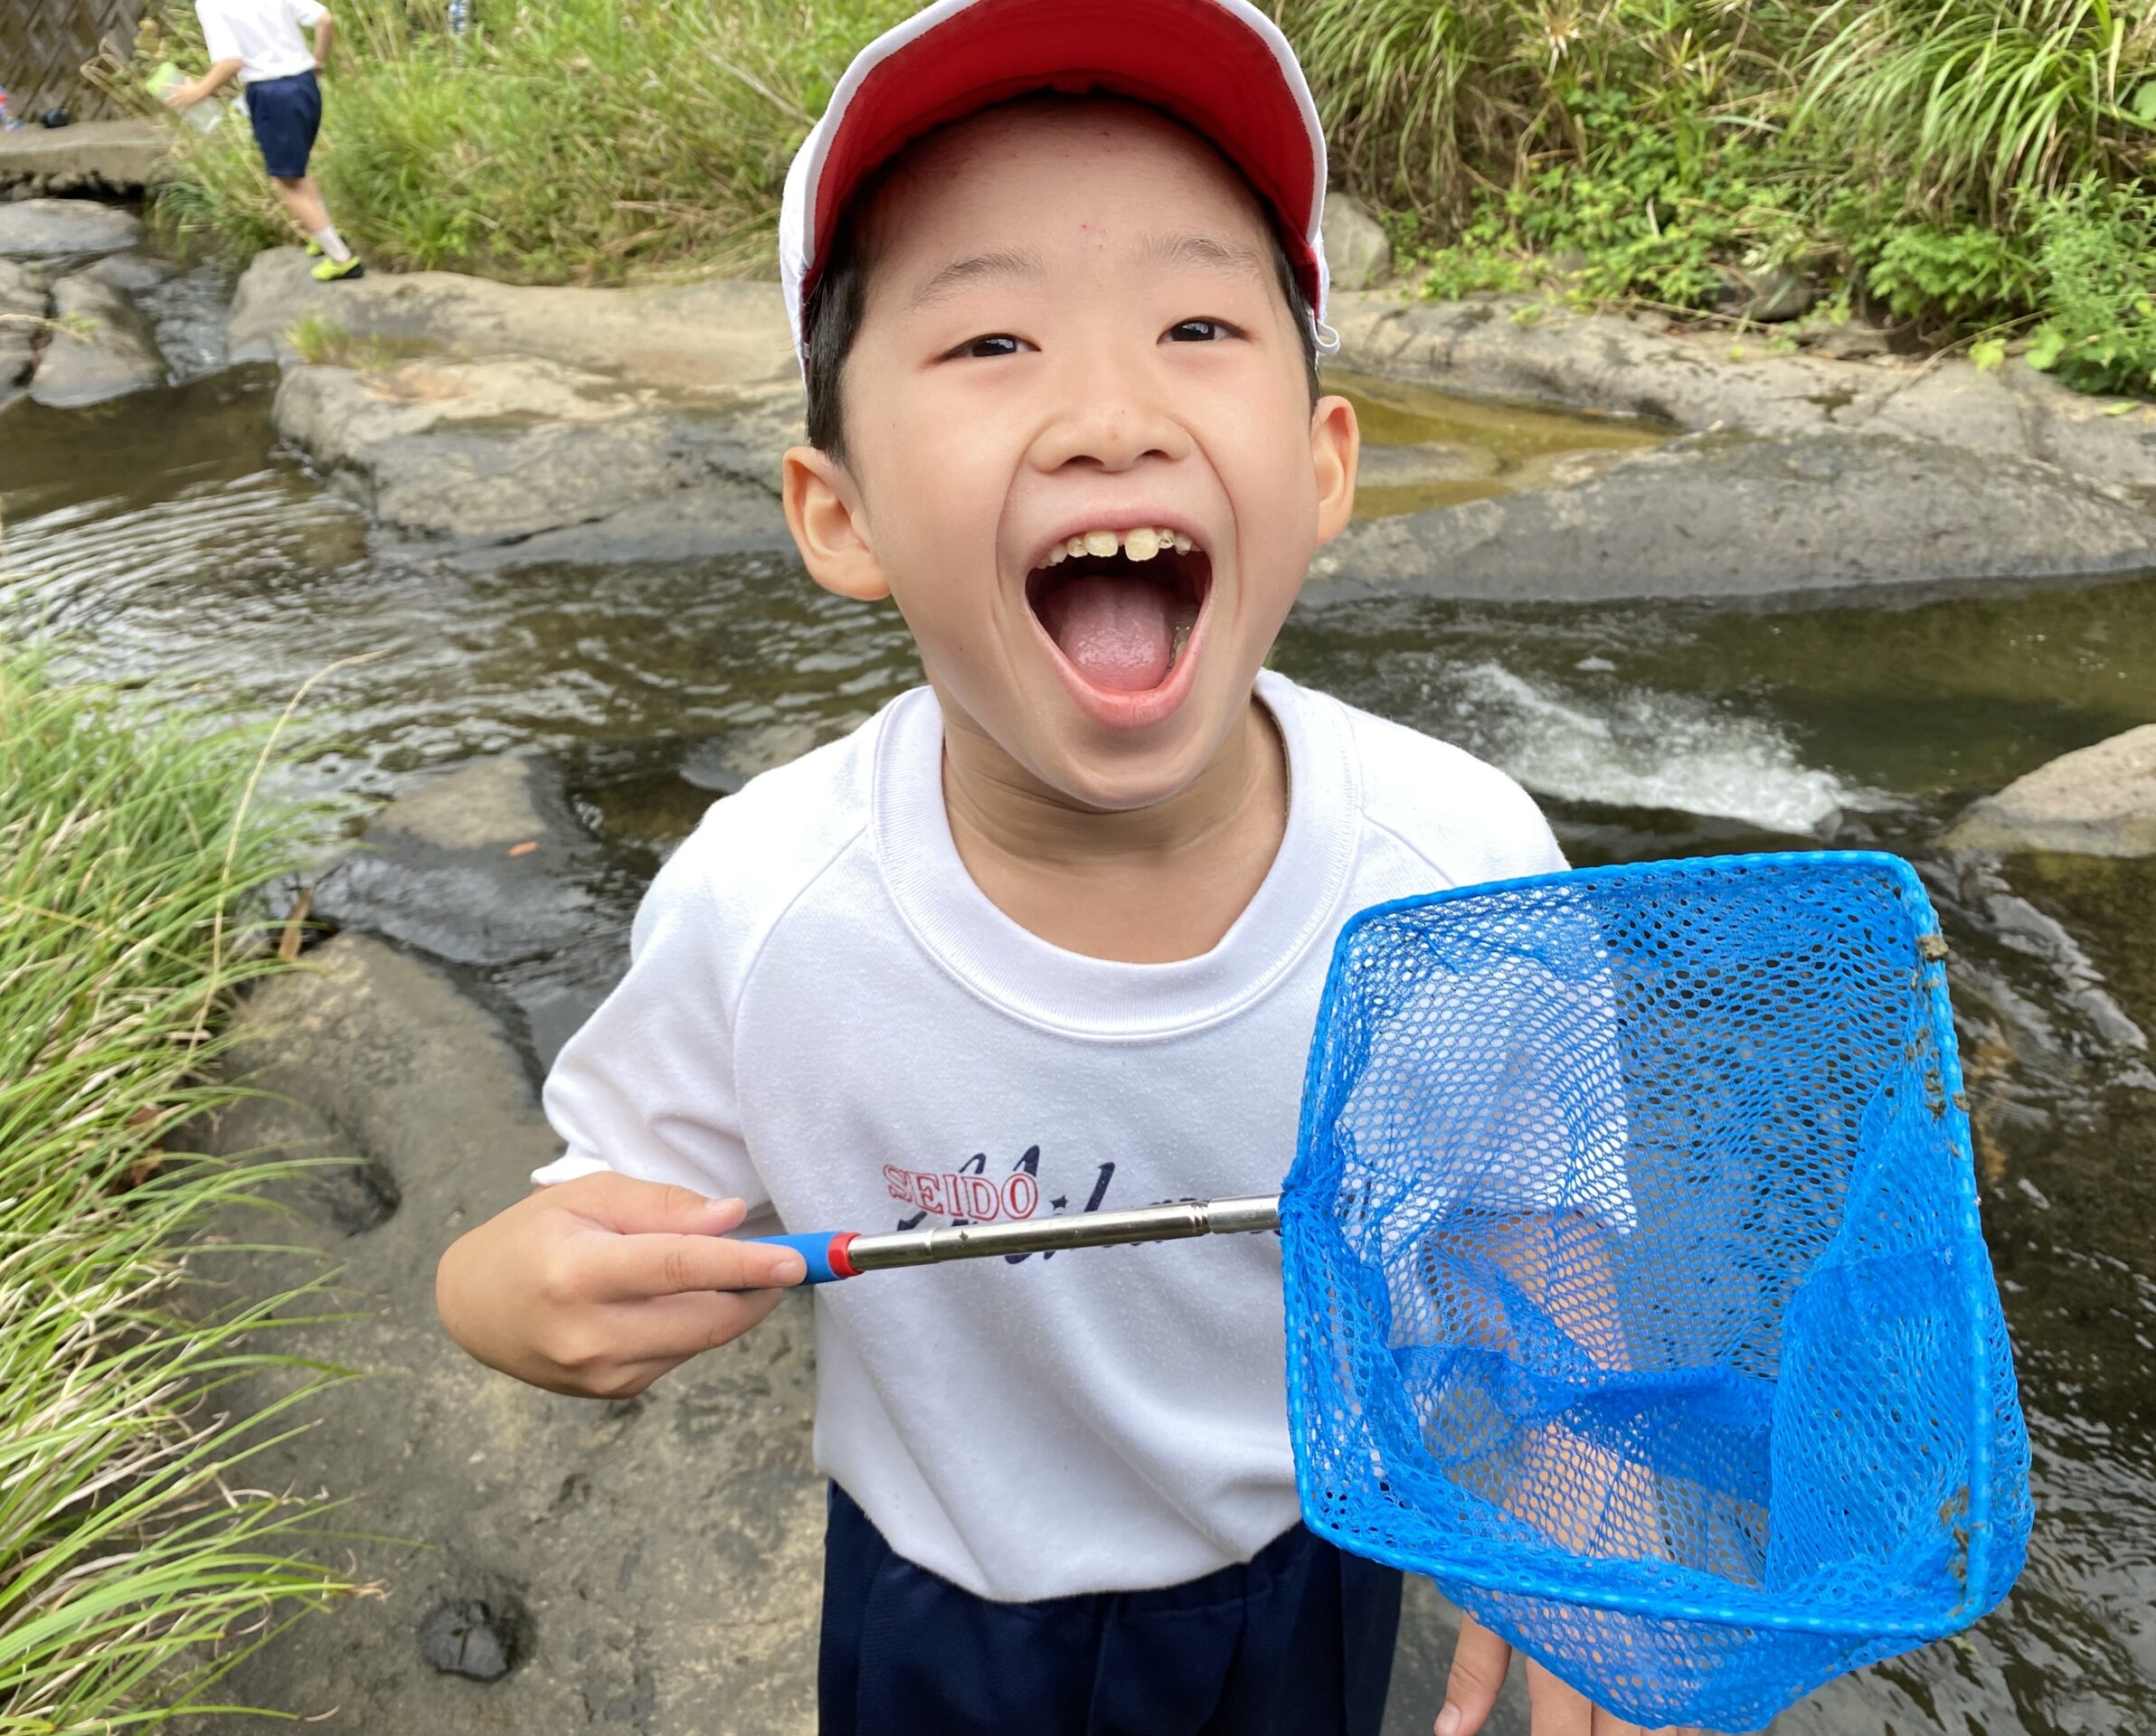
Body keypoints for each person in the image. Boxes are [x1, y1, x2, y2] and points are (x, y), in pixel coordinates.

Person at [436, 1, 1669, 1730]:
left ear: (1323, 469)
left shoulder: (1457, 866)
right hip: (941, 1601)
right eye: (992, 342)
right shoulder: (762, 896)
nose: (1108, 412)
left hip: (1310, 1569)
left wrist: (1580, 1540)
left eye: (1195, 322)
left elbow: (1537, 1247)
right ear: (837, 512)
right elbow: (581, 1219)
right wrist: (497, 1291)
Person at [167, 0, 362, 281]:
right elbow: (325, 20)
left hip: (271, 94)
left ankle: (342, 259)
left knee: (283, 180)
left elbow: (231, 62)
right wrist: (318, 62)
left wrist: (197, 92)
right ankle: (325, 234)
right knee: (296, 170)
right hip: (304, 84)